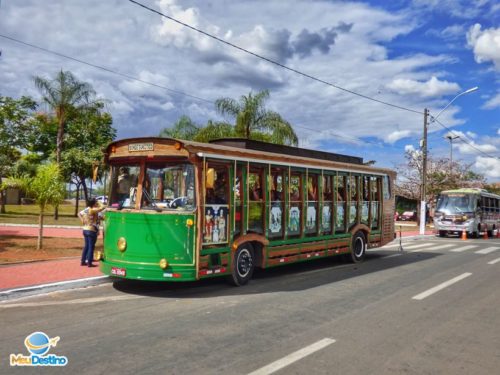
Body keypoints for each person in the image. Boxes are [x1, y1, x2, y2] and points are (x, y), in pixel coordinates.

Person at [78, 198, 106, 267]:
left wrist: (82, 220)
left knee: (86, 246)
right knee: (91, 247)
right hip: (91, 230)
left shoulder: (86, 209)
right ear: (93, 203)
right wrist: (99, 202)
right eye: (95, 203)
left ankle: (83, 261)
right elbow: (103, 207)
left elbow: (79, 214)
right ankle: (89, 262)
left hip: (85, 229)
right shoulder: (92, 210)